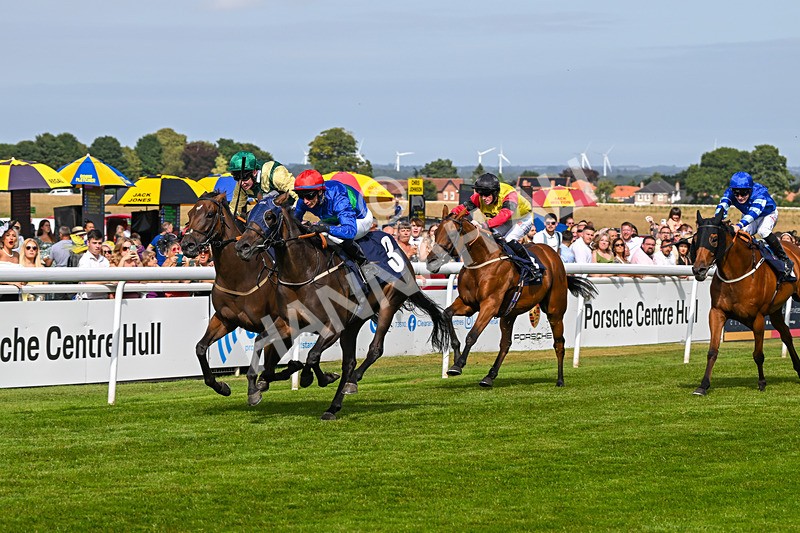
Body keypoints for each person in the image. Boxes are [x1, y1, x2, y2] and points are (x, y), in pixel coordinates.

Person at [293, 169, 377, 277]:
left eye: (309, 196)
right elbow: (294, 221)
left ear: (320, 192)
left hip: (359, 219)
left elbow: (349, 231)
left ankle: (364, 263)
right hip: (333, 220)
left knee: (331, 236)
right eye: (301, 196)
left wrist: (326, 228)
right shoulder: (304, 200)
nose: (305, 201)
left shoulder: (338, 197)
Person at [450, 173, 537, 275]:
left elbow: (504, 215)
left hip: (522, 219)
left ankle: (531, 266)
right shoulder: (479, 197)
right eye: (481, 195)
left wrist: (483, 225)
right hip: (506, 220)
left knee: (509, 239)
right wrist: (450, 217)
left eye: (487, 195)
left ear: (495, 193)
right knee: (490, 240)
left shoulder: (509, 194)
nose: (483, 198)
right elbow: (462, 209)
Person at [716, 171, 794, 280]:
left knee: (763, 231)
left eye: (743, 193)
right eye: (736, 193)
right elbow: (722, 205)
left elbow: (754, 213)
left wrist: (739, 225)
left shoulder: (760, 193)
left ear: (750, 190)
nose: (740, 197)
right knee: (741, 234)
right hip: (749, 214)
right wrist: (717, 219)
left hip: (767, 214)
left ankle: (785, 259)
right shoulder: (729, 192)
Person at [228, 150, 296, 220]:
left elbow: (297, 194)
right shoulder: (241, 185)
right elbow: (234, 208)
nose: (241, 183)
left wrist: (296, 213)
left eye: (245, 178)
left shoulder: (275, 174)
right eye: (237, 178)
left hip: (291, 208)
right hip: (271, 212)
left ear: (254, 172)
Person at [76, 229, 111, 300]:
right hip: (87, 299)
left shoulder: (105, 260)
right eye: (94, 243)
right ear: (88, 243)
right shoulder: (84, 260)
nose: (97, 246)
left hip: (103, 298)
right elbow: (88, 282)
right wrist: (108, 280)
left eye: (99, 243)